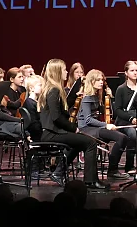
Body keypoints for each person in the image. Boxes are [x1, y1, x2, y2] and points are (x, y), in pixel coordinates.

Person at [38, 58, 108, 190]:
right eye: (64, 70)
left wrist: (73, 98)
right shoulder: (53, 90)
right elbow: (56, 117)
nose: (66, 72)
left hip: (54, 132)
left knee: (80, 142)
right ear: (58, 72)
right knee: (90, 143)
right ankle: (91, 181)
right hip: (52, 133)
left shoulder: (54, 89)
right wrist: (73, 128)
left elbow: (61, 111)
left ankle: (58, 172)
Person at [77, 69, 130, 180]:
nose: (101, 82)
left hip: (94, 128)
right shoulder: (87, 98)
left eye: (102, 79)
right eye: (98, 80)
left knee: (123, 138)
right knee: (121, 137)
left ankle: (113, 169)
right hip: (86, 129)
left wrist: (110, 98)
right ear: (91, 81)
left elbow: (109, 111)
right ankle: (112, 170)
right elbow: (88, 120)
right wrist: (105, 125)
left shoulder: (96, 96)